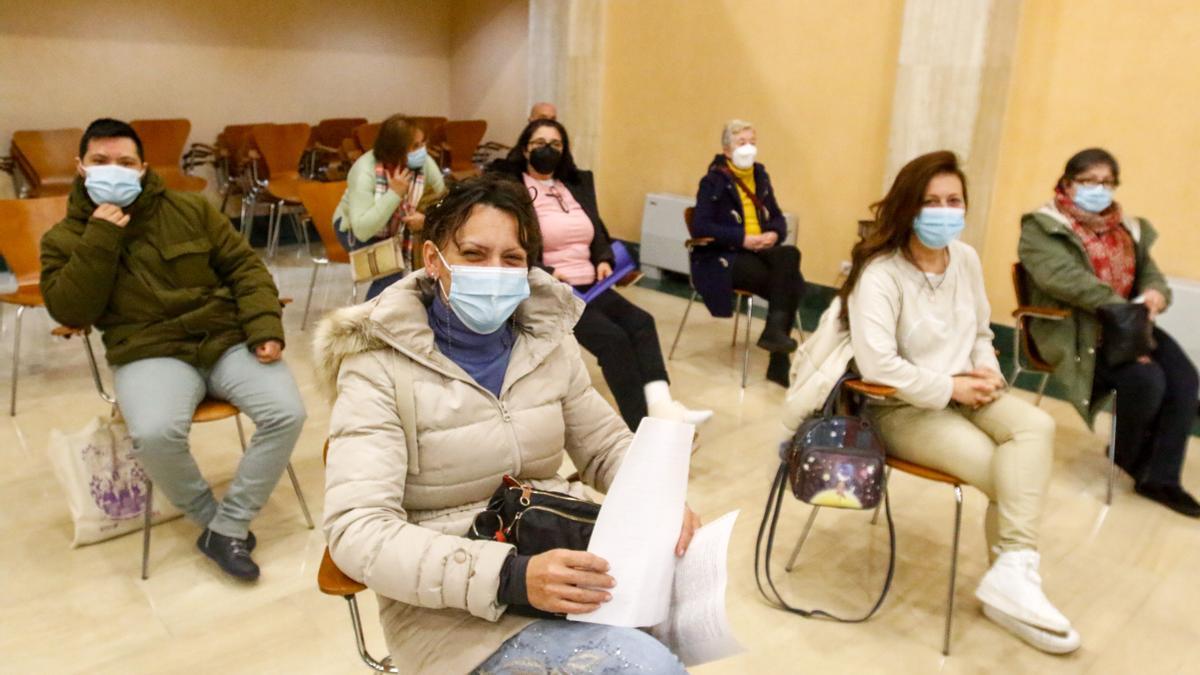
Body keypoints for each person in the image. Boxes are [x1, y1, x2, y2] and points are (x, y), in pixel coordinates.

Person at [317, 175, 697, 673]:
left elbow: (604, 446)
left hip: (562, 559)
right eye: (474, 255)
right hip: (447, 609)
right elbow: (358, 531)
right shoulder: (376, 363)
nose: (494, 272)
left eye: (512, 258)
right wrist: (510, 577)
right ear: (433, 260)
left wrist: (660, 497)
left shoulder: (545, 339)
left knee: (672, 644)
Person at [40, 118, 306, 581]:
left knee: (287, 412)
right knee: (156, 433)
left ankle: (231, 523)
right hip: (149, 352)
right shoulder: (63, 239)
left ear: (143, 167)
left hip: (223, 340)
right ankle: (214, 522)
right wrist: (101, 237)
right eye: (101, 162)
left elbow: (245, 268)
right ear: (80, 168)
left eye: (125, 163)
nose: (114, 171)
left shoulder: (189, 210)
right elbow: (72, 310)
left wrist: (265, 326)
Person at [840, 151, 1079, 653]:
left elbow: (978, 331)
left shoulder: (965, 258)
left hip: (965, 388)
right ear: (908, 208)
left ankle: (1012, 576)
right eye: (930, 202)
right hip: (899, 405)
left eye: (953, 201)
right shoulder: (881, 272)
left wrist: (987, 368)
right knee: (1005, 472)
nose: (944, 211)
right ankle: (1010, 583)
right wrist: (951, 387)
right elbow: (879, 366)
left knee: (1037, 427)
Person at [489, 119, 712, 429]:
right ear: (525, 149)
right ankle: (642, 426)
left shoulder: (574, 185)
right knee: (613, 339)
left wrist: (604, 259)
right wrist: (551, 272)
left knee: (642, 322)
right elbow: (512, 245)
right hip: (553, 289)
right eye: (539, 143)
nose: (547, 150)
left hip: (592, 283)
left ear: (564, 150)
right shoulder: (513, 190)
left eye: (555, 144)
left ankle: (663, 406)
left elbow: (597, 232)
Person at [1019, 148, 1198, 517]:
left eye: (1106, 182)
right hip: (1076, 333)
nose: (1098, 189)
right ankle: (1131, 454)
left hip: (1128, 326)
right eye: (1088, 181)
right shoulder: (1042, 226)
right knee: (1146, 380)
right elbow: (1064, 280)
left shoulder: (1127, 228)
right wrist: (1124, 306)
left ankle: (1161, 477)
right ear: (1068, 183)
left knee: (1183, 378)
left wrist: (1154, 295)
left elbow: (1151, 274)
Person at [691, 119, 805, 387]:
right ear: (727, 151)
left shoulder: (760, 176)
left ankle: (774, 332)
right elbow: (701, 225)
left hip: (763, 251)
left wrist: (774, 235)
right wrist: (743, 239)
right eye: (742, 143)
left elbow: (777, 217)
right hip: (726, 256)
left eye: (753, 142)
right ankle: (778, 360)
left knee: (789, 254)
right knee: (793, 284)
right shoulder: (713, 181)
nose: (749, 149)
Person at [333, 114, 447, 299]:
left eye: (423, 143)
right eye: (415, 146)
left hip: (400, 228)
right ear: (396, 150)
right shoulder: (364, 171)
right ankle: (372, 322)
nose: (422, 151)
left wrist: (426, 220)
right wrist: (394, 194)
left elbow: (444, 200)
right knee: (391, 272)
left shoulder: (424, 163)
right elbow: (363, 229)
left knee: (434, 260)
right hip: (353, 229)